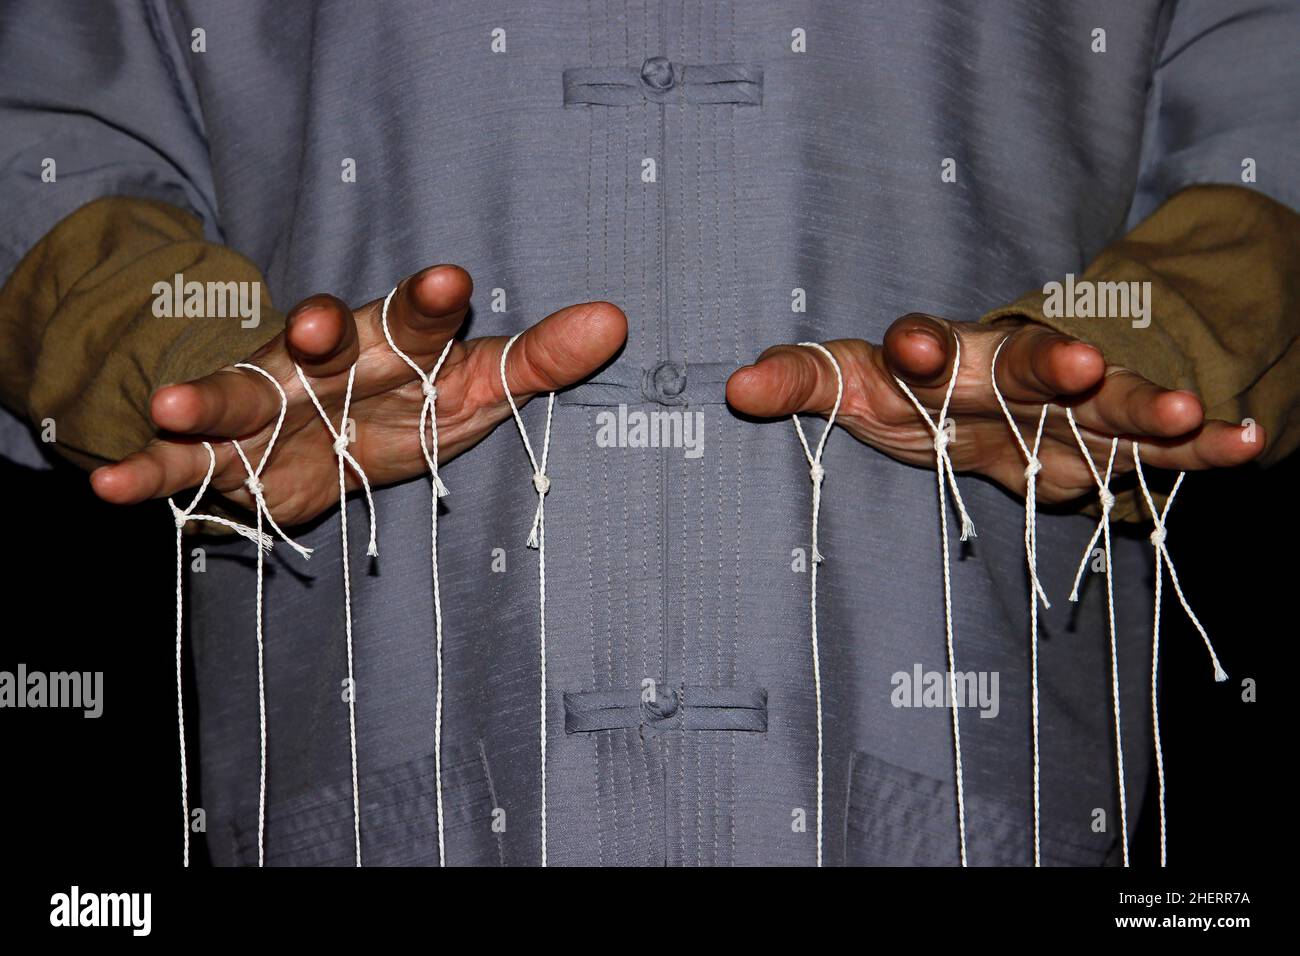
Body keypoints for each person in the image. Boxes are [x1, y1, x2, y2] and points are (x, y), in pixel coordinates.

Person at [1, 0, 1296, 866]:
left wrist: (1174, 323)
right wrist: (184, 354)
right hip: (383, 771)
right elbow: (48, 131)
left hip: (973, 762)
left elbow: (1269, 115)